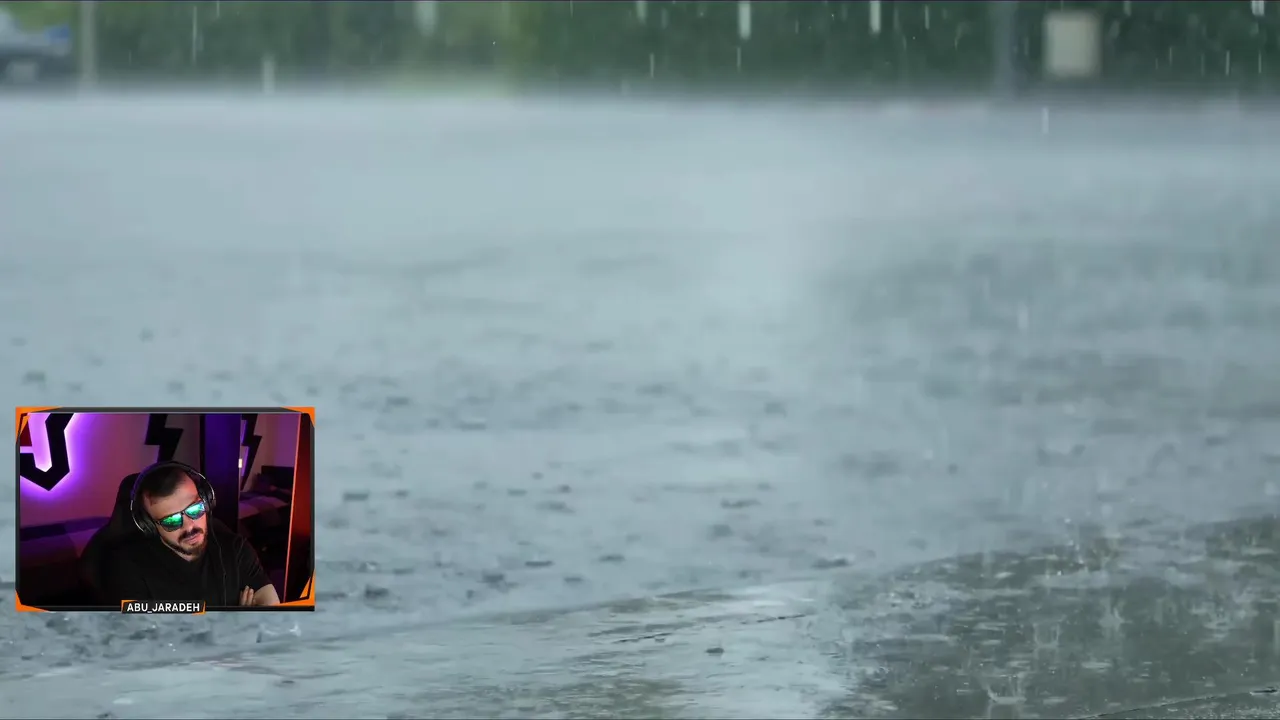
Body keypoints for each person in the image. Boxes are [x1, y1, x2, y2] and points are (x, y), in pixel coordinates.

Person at [102, 461, 281, 607]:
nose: (189, 527)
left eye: (195, 509)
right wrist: (238, 622)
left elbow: (271, 612)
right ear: (149, 525)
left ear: (207, 501)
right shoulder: (127, 567)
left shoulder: (235, 548)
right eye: (171, 521)